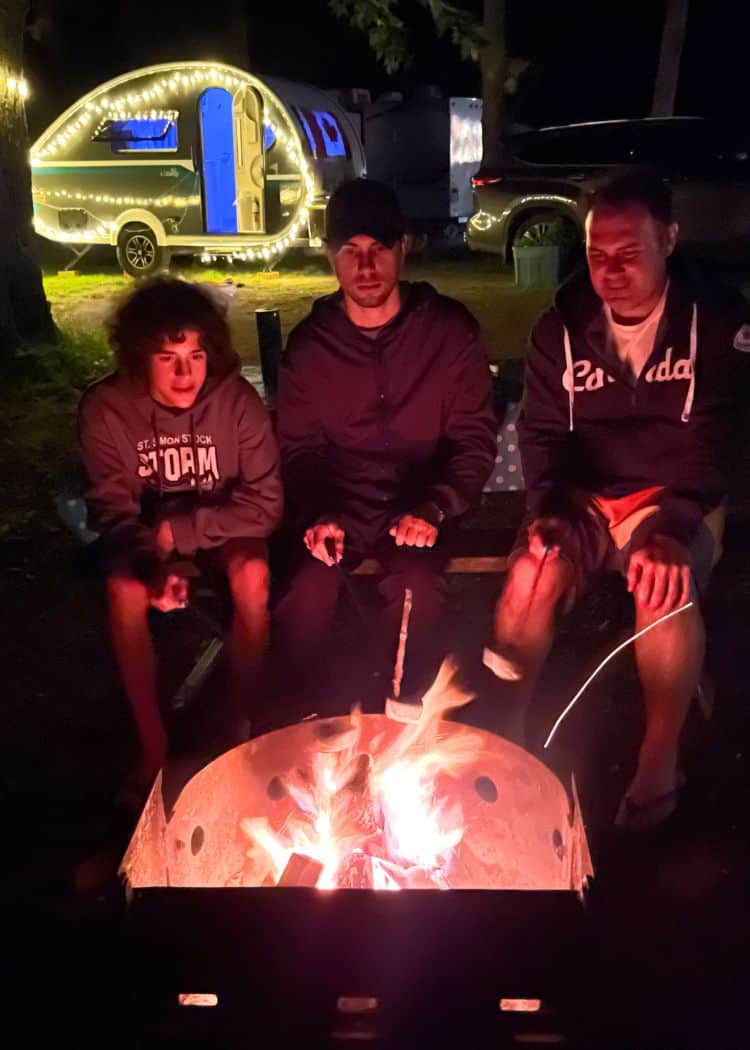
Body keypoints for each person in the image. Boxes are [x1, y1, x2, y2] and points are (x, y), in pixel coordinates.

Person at [486, 170, 750, 830]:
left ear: (670, 238)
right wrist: (546, 508)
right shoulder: (561, 327)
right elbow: (541, 430)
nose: (610, 270)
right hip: (581, 500)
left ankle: (659, 760)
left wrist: (675, 522)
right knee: (528, 573)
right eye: (598, 253)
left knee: (664, 589)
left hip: (675, 496)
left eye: (629, 253)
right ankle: (501, 736)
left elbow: (723, 436)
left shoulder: (717, 322)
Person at [275, 178, 497, 699]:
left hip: (419, 506)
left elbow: (473, 438)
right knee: (305, 587)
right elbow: (300, 448)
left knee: (417, 589)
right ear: (331, 256)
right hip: (341, 507)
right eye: (350, 251)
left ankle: (403, 711)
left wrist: (436, 506)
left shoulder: (447, 333)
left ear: (404, 248)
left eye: (378, 250)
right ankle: (295, 712)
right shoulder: (311, 347)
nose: (366, 268)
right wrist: (320, 511)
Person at [79, 277, 282, 798]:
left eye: (196, 354)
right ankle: (153, 746)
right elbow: (112, 512)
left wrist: (182, 530)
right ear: (139, 356)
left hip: (225, 528)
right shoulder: (108, 410)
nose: (186, 373)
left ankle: (242, 725)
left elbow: (265, 504)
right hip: (146, 541)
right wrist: (152, 564)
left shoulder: (236, 404)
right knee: (123, 590)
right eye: (169, 358)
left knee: (254, 575)